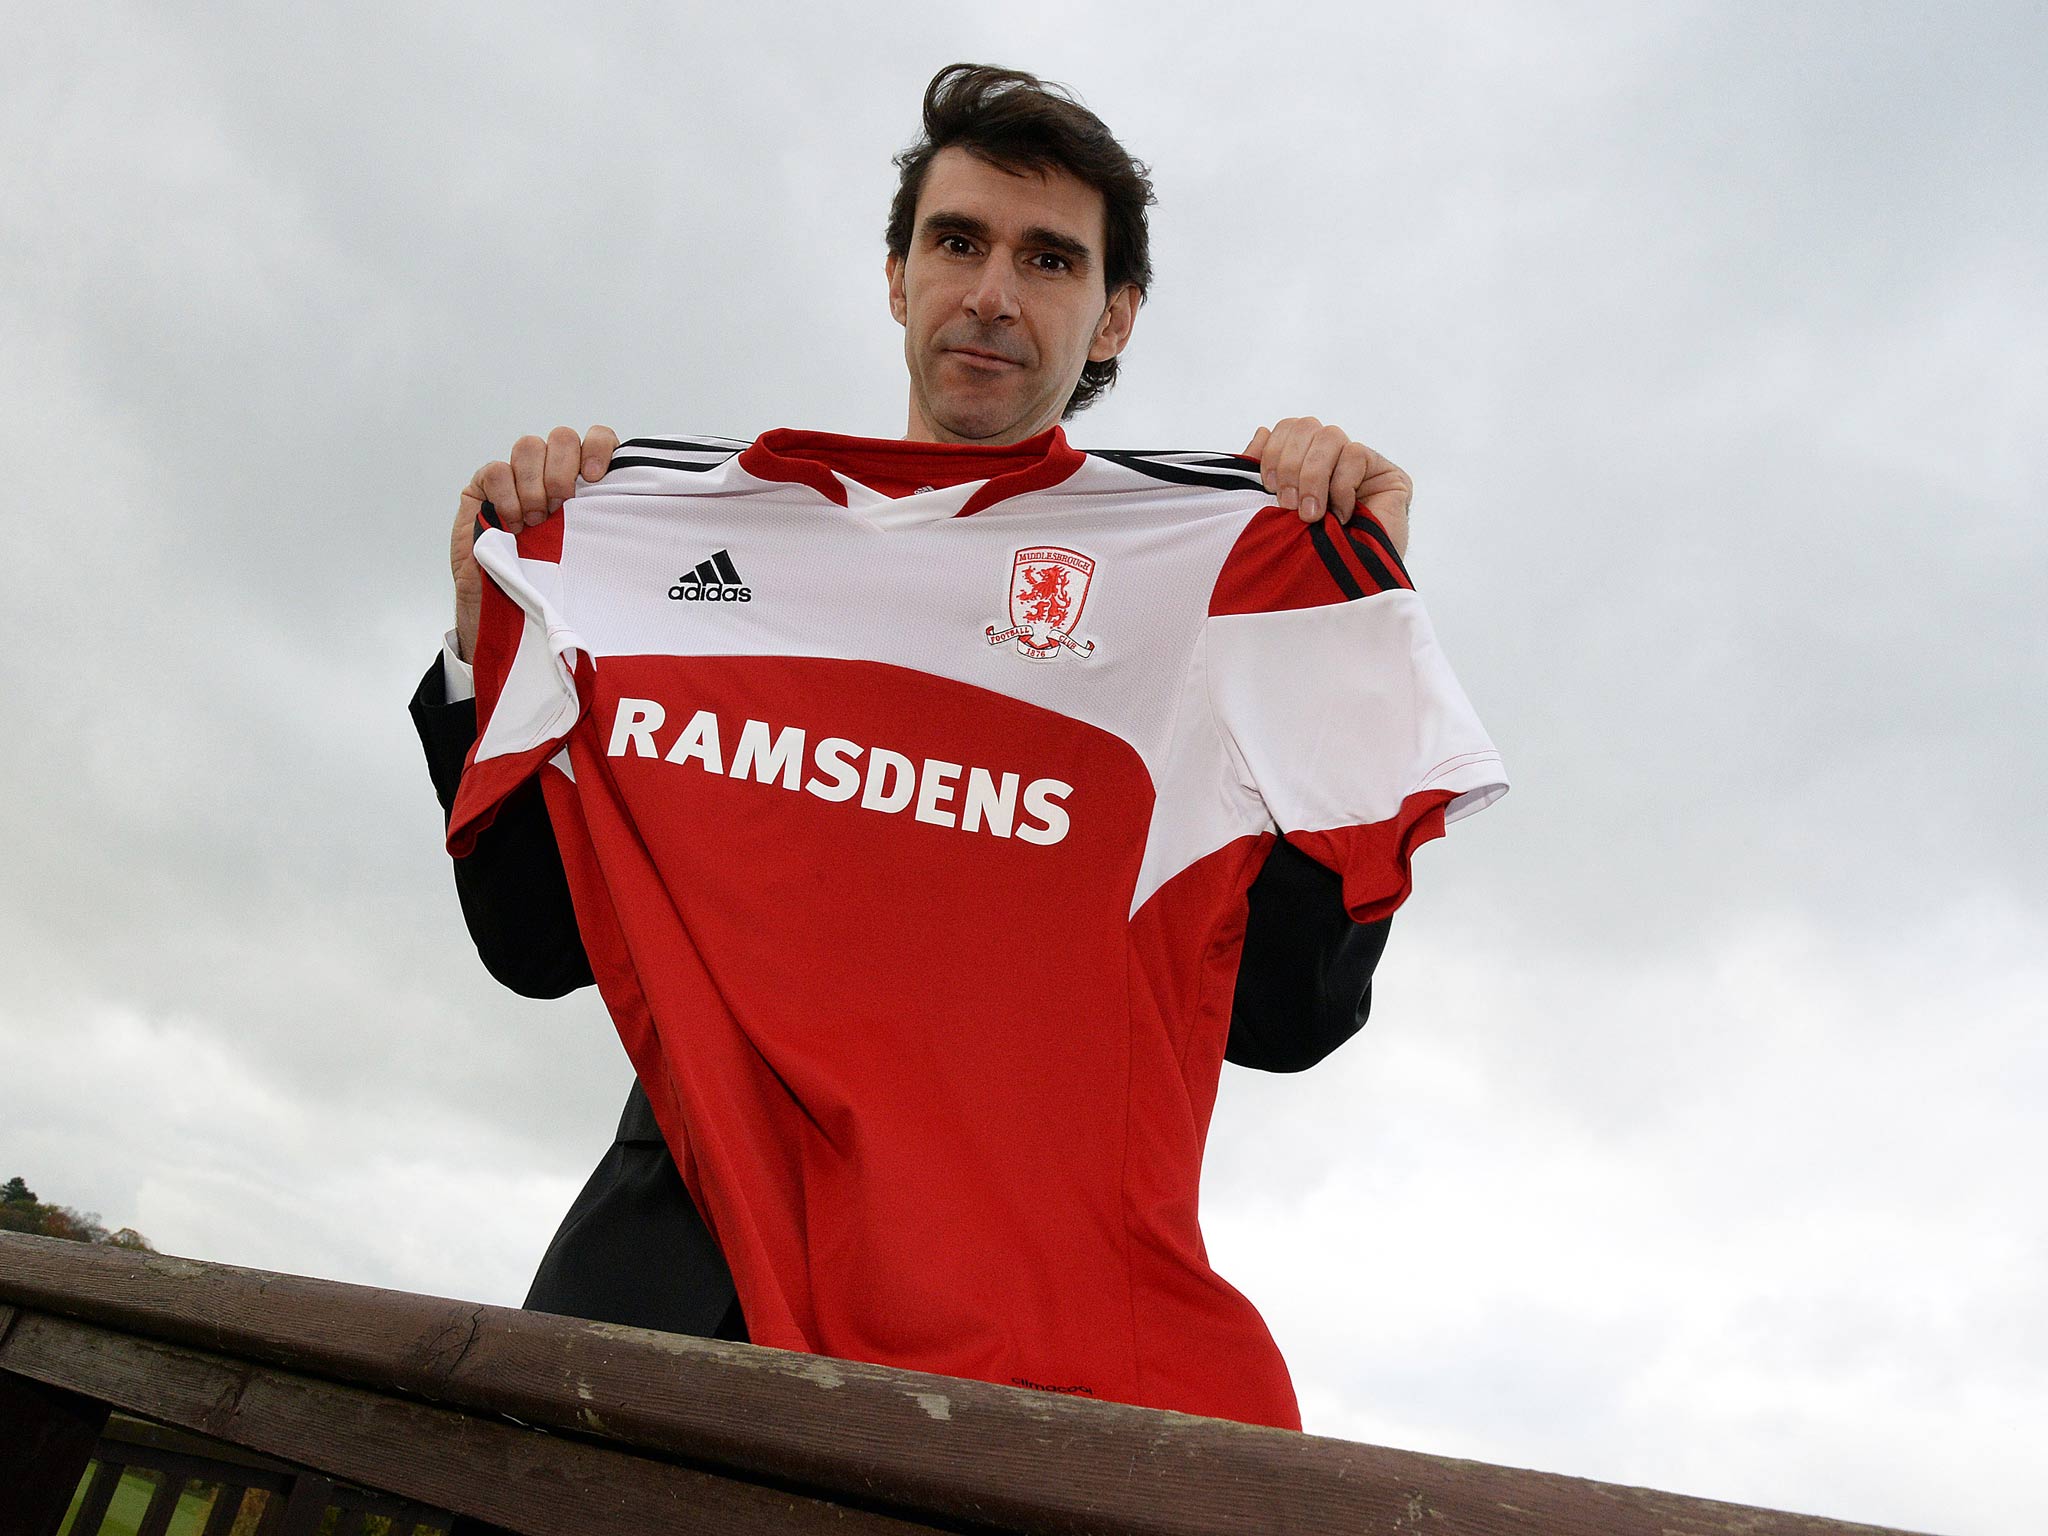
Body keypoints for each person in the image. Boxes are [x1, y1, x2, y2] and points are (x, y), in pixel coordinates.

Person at [412, 65, 1478, 1407]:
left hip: (985, 1367)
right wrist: (484, 640)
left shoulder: (1194, 602)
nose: (993, 291)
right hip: (664, 1322)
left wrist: (1337, 650)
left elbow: (1285, 1015)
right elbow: (534, 946)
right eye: (957, 241)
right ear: (896, 275)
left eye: (1049, 259)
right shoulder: (691, 543)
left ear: (1114, 318)